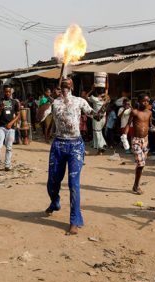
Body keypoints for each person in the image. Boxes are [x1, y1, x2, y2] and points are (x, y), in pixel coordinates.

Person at [45, 78, 95, 235]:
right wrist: (48, 102)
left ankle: (75, 221)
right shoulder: (55, 102)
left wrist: (101, 112)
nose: (66, 86)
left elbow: (95, 115)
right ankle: (55, 202)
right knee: (52, 182)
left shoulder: (79, 101)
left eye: (68, 84)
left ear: (72, 87)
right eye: (63, 84)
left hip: (75, 146)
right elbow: (40, 116)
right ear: (60, 87)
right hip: (58, 145)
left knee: (74, 184)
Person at [125, 93, 155, 195]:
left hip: (145, 140)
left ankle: (135, 185)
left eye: (147, 101)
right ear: (138, 101)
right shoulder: (134, 112)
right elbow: (128, 124)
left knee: (141, 165)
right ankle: (136, 186)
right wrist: (124, 136)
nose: (146, 103)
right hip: (136, 140)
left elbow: (150, 125)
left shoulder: (149, 113)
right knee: (141, 164)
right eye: (143, 101)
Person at [0, 86, 20, 171]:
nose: (7, 93)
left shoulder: (14, 102)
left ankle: (7, 165)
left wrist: (11, 123)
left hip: (11, 128)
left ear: (11, 92)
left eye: (9, 92)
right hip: (1, 126)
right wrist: (1, 108)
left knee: (9, 147)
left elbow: (18, 114)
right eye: (6, 92)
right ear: (3, 92)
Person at [88, 86, 108, 154]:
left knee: (97, 132)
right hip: (103, 118)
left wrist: (91, 90)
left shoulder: (94, 99)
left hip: (97, 118)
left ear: (96, 92)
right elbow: (106, 94)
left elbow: (86, 96)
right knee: (99, 131)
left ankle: (101, 146)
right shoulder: (106, 99)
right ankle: (101, 147)